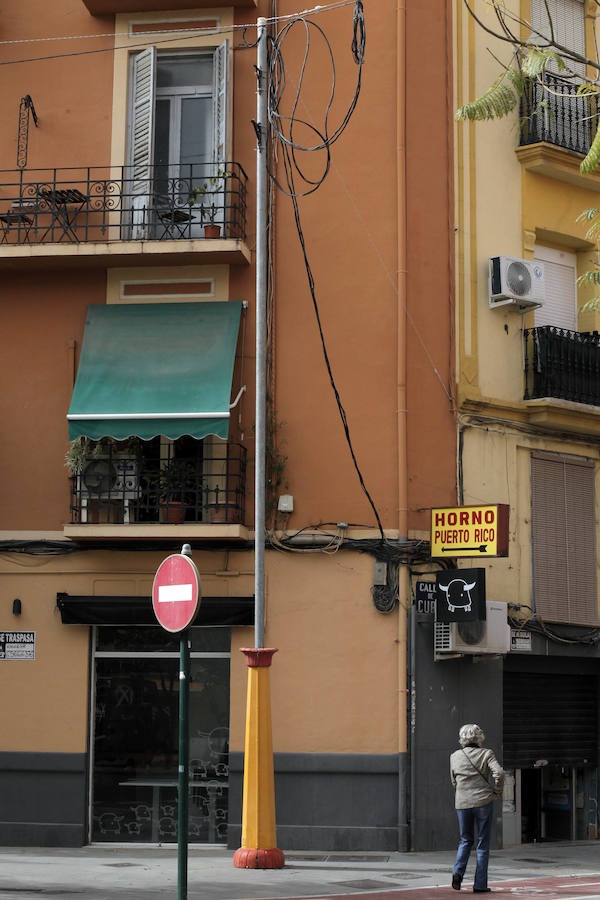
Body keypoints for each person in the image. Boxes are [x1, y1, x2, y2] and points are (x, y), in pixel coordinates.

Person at [450, 723, 504, 893]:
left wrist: (462, 791)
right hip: (483, 802)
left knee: (465, 840)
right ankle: (480, 885)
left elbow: (453, 780)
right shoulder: (487, 754)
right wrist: (497, 791)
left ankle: (457, 872)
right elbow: (500, 773)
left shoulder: (455, 756)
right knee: (482, 843)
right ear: (479, 738)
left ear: (462, 739)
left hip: (462, 803)